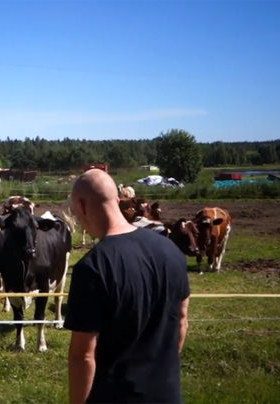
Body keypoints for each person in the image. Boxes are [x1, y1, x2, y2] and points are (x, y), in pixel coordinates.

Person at [65, 169, 190, 404]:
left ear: (82, 206)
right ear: (117, 200)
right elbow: (182, 321)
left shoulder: (93, 268)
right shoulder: (171, 251)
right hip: (167, 394)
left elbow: (83, 356)